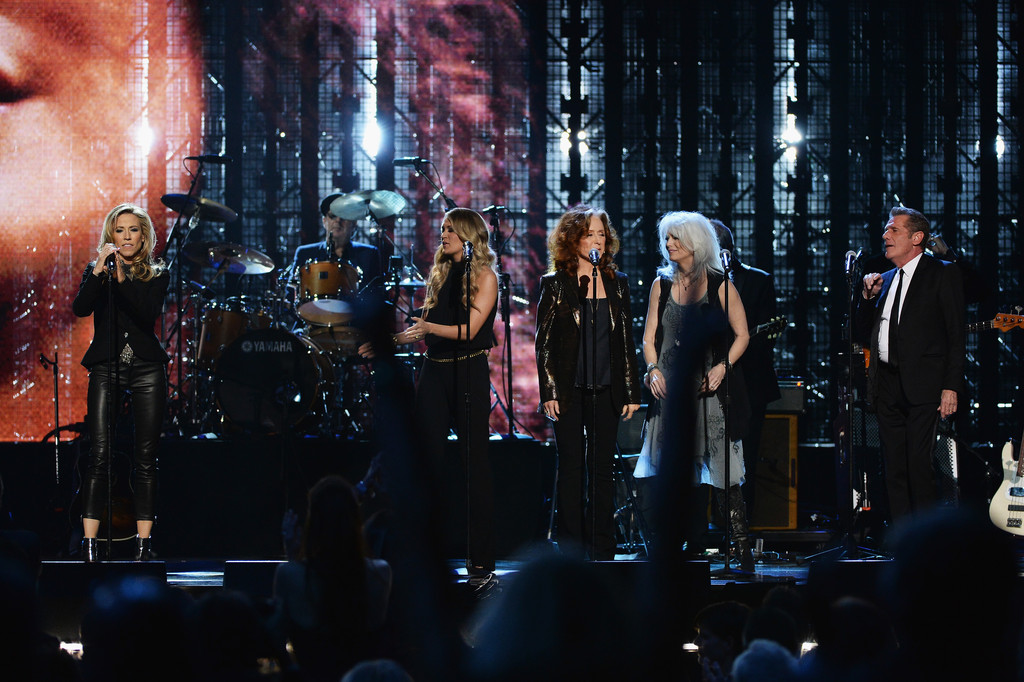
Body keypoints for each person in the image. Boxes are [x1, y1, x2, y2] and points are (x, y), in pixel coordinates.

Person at [634, 212, 753, 571]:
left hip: (707, 390)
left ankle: (739, 546)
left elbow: (743, 334)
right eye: (666, 239)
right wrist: (652, 370)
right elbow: (648, 337)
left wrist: (722, 367)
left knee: (719, 470)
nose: (668, 245)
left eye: (675, 239)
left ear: (694, 243)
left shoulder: (720, 283)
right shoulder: (661, 284)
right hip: (670, 390)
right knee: (671, 469)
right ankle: (675, 543)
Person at [535, 205, 641, 561]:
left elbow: (626, 339)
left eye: (601, 234)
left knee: (601, 469)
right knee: (570, 468)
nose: (596, 239)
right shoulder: (555, 284)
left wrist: (629, 390)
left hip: (606, 387)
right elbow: (544, 341)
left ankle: (602, 547)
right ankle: (570, 547)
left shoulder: (617, 282)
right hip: (569, 389)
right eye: (589, 233)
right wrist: (549, 390)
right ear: (572, 238)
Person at [400, 207, 498, 577]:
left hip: (468, 369)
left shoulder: (485, 276)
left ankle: (480, 561)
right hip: (434, 371)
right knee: (425, 461)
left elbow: (471, 329)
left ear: (469, 236)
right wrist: (394, 339)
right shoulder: (440, 275)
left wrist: (427, 327)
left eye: (451, 230)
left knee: (475, 465)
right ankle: (422, 555)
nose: (444, 235)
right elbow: (427, 327)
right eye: (442, 229)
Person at [72, 204, 170, 562]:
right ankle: (90, 544)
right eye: (119, 230)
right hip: (106, 365)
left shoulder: (157, 273)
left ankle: (144, 544)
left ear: (143, 236)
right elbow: (80, 308)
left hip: (146, 367)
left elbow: (145, 315)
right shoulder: (97, 271)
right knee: (99, 454)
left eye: (133, 230)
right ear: (110, 236)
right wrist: (98, 272)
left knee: (145, 457)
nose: (126, 237)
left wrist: (121, 279)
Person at [855, 207, 964, 521]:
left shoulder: (942, 273)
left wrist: (950, 387)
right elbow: (864, 335)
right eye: (886, 231)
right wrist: (865, 297)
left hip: (925, 384)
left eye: (894, 231)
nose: (885, 237)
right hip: (887, 383)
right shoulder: (885, 279)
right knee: (894, 466)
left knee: (918, 463)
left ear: (917, 238)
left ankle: (925, 539)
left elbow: (956, 335)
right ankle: (902, 538)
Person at [273, 475, 392, 681]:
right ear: (356, 520)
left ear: (313, 523)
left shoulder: (288, 574)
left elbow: (278, 641)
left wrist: (294, 558)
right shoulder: (381, 572)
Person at [710, 220, 781, 522]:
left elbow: (766, 338)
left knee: (745, 457)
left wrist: (735, 353)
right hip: (708, 382)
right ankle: (706, 526)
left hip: (749, 383)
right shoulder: (694, 281)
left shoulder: (757, 280)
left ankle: (741, 531)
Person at [291, 193, 383, 300]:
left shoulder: (369, 254)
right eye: (333, 216)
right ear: (324, 221)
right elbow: (292, 291)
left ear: (354, 224)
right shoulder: (305, 253)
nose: (338, 221)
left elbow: (375, 297)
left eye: (344, 217)